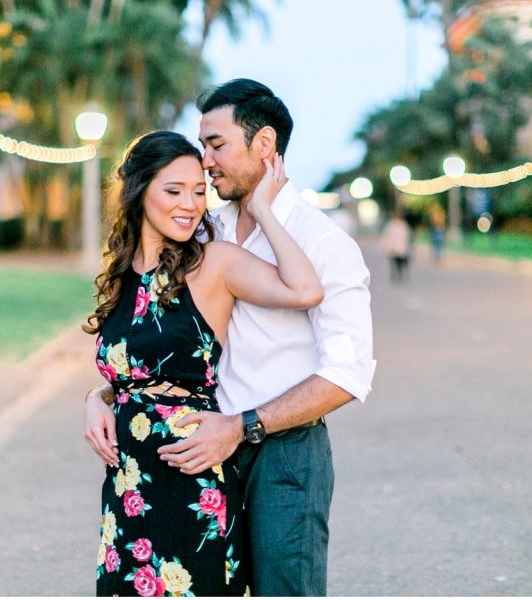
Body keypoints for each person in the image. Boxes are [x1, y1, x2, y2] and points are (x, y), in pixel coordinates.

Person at [88, 79, 375, 596]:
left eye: (216, 144)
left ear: (263, 145)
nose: (206, 161)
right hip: (203, 447)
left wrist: (241, 427)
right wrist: (101, 394)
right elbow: (162, 345)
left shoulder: (323, 243)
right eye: (203, 147)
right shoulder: (203, 230)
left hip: (282, 448)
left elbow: (347, 374)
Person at [380, 208, 412, 284]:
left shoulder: (403, 225)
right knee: (392, 263)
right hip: (392, 248)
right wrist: (385, 246)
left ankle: (400, 275)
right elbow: (386, 236)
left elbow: (406, 237)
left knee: (399, 263)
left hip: (400, 248)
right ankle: (394, 276)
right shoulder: (391, 225)